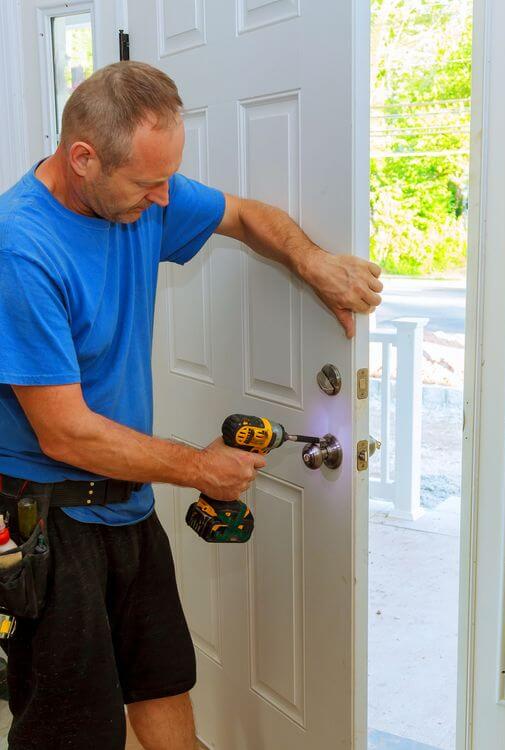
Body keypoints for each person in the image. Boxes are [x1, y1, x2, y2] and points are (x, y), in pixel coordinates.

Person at [0, 61, 383, 750]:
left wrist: (312, 260)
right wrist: (199, 470)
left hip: (127, 507)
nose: (165, 197)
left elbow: (243, 215)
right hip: (51, 521)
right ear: (82, 159)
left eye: (169, 177)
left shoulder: (147, 199)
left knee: (162, 680)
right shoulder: (19, 249)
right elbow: (63, 433)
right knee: (73, 727)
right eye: (148, 183)